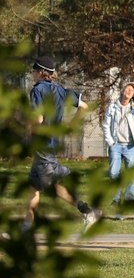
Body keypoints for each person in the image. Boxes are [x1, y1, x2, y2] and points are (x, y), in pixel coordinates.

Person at [25, 59, 95, 225]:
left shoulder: (37, 90)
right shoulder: (60, 89)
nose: (32, 73)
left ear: (40, 72)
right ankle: (26, 227)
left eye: (33, 70)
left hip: (42, 146)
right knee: (33, 189)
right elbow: (84, 107)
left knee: (52, 186)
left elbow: (38, 118)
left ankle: (88, 211)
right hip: (51, 144)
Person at [102, 80, 134, 201]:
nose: (129, 92)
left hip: (130, 146)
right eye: (127, 89)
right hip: (116, 145)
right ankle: (116, 200)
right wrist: (110, 142)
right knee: (113, 173)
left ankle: (129, 199)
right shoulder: (112, 107)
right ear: (122, 91)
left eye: (132, 91)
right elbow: (106, 125)